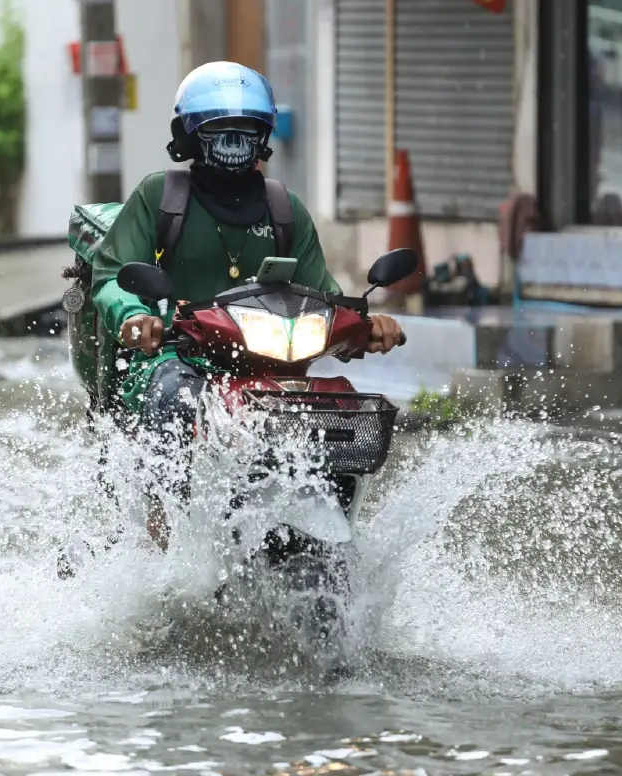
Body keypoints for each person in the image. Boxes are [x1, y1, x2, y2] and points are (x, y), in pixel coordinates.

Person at [88, 61, 404, 551]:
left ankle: (341, 538)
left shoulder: (286, 209)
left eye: (246, 133)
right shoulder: (160, 196)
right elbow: (111, 275)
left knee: (338, 408)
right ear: (190, 136)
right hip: (175, 356)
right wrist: (135, 318)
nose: (234, 145)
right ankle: (160, 537)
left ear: (262, 138)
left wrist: (364, 325)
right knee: (175, 399)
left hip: (269, 362)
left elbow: (323, 293)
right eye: (220, 133)